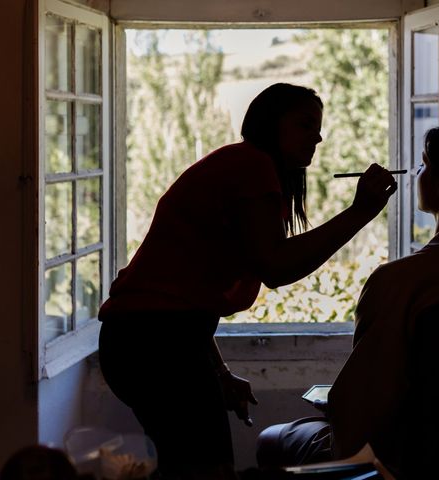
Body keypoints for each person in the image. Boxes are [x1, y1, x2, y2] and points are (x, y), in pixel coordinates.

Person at [97, 83, 397, 478]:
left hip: (144, 340)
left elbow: (187, 294)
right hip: (155, 344)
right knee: (206, 469)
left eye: (318, 127)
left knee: (190, 465)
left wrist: (218, 372)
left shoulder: (245, 166)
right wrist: (360, 212)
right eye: (305, 124)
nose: (318, 136)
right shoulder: (250, 166)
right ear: (271, 124)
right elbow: (275, 266)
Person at [256, 120, 439, 479]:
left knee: (271, 439)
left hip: (399, 465)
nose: (417, 172)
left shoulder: (400, 280)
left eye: (423, 165)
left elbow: (358, 419)